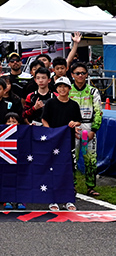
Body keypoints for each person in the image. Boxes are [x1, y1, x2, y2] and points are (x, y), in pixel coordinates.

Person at [42, 77, 83, 211]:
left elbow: (78, 121)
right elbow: (44, 119)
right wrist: (50, 132)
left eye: (65, 86)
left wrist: (74, 123)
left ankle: (68, 199)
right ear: (56, 89)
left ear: (69, 88)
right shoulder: (50, 103)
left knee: (68, 170)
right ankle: (53, 199)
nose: (62, 89)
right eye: (59, 86)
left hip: (68, 142)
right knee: (53, 170)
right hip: (53, 142)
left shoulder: (74, 105)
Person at [67, 63, 102, 197]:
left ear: (87, 74)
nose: (80, 75)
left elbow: (99, 111)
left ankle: (90, 187)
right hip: (73, 129)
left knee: (90, 160)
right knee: (72, 158)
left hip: (87, 129)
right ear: (72, 75)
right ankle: (72, 186)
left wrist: (94, 129)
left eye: (83, 73)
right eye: (77, 73)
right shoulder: (69, 91)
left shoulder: (93, 91)